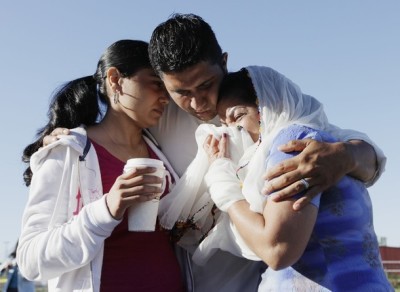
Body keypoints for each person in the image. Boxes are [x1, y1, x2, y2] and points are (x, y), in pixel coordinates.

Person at [42, 13, 386, 292]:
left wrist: (346, 156)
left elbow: (354, 150)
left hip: (249, 280)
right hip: (179, 280)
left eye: (205, 85)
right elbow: (112, 120)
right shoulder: (159, 119)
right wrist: (69, 133)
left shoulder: (259, 104)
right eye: (181, 92)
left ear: (224, 62)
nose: (197, 103)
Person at [199, 66, 392, 291]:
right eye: (225, 125)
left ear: (269, 106)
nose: (234, 133)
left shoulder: (291, 143)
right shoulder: (327, 141)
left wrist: (220, 179)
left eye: (239, 117)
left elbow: (277, 250)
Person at [17, 40, 186, 292]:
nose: (166, 97)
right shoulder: (68, 151)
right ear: (115, 79)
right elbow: (30, 260)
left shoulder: (161, 149)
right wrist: (106, 210)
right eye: (156, 83)